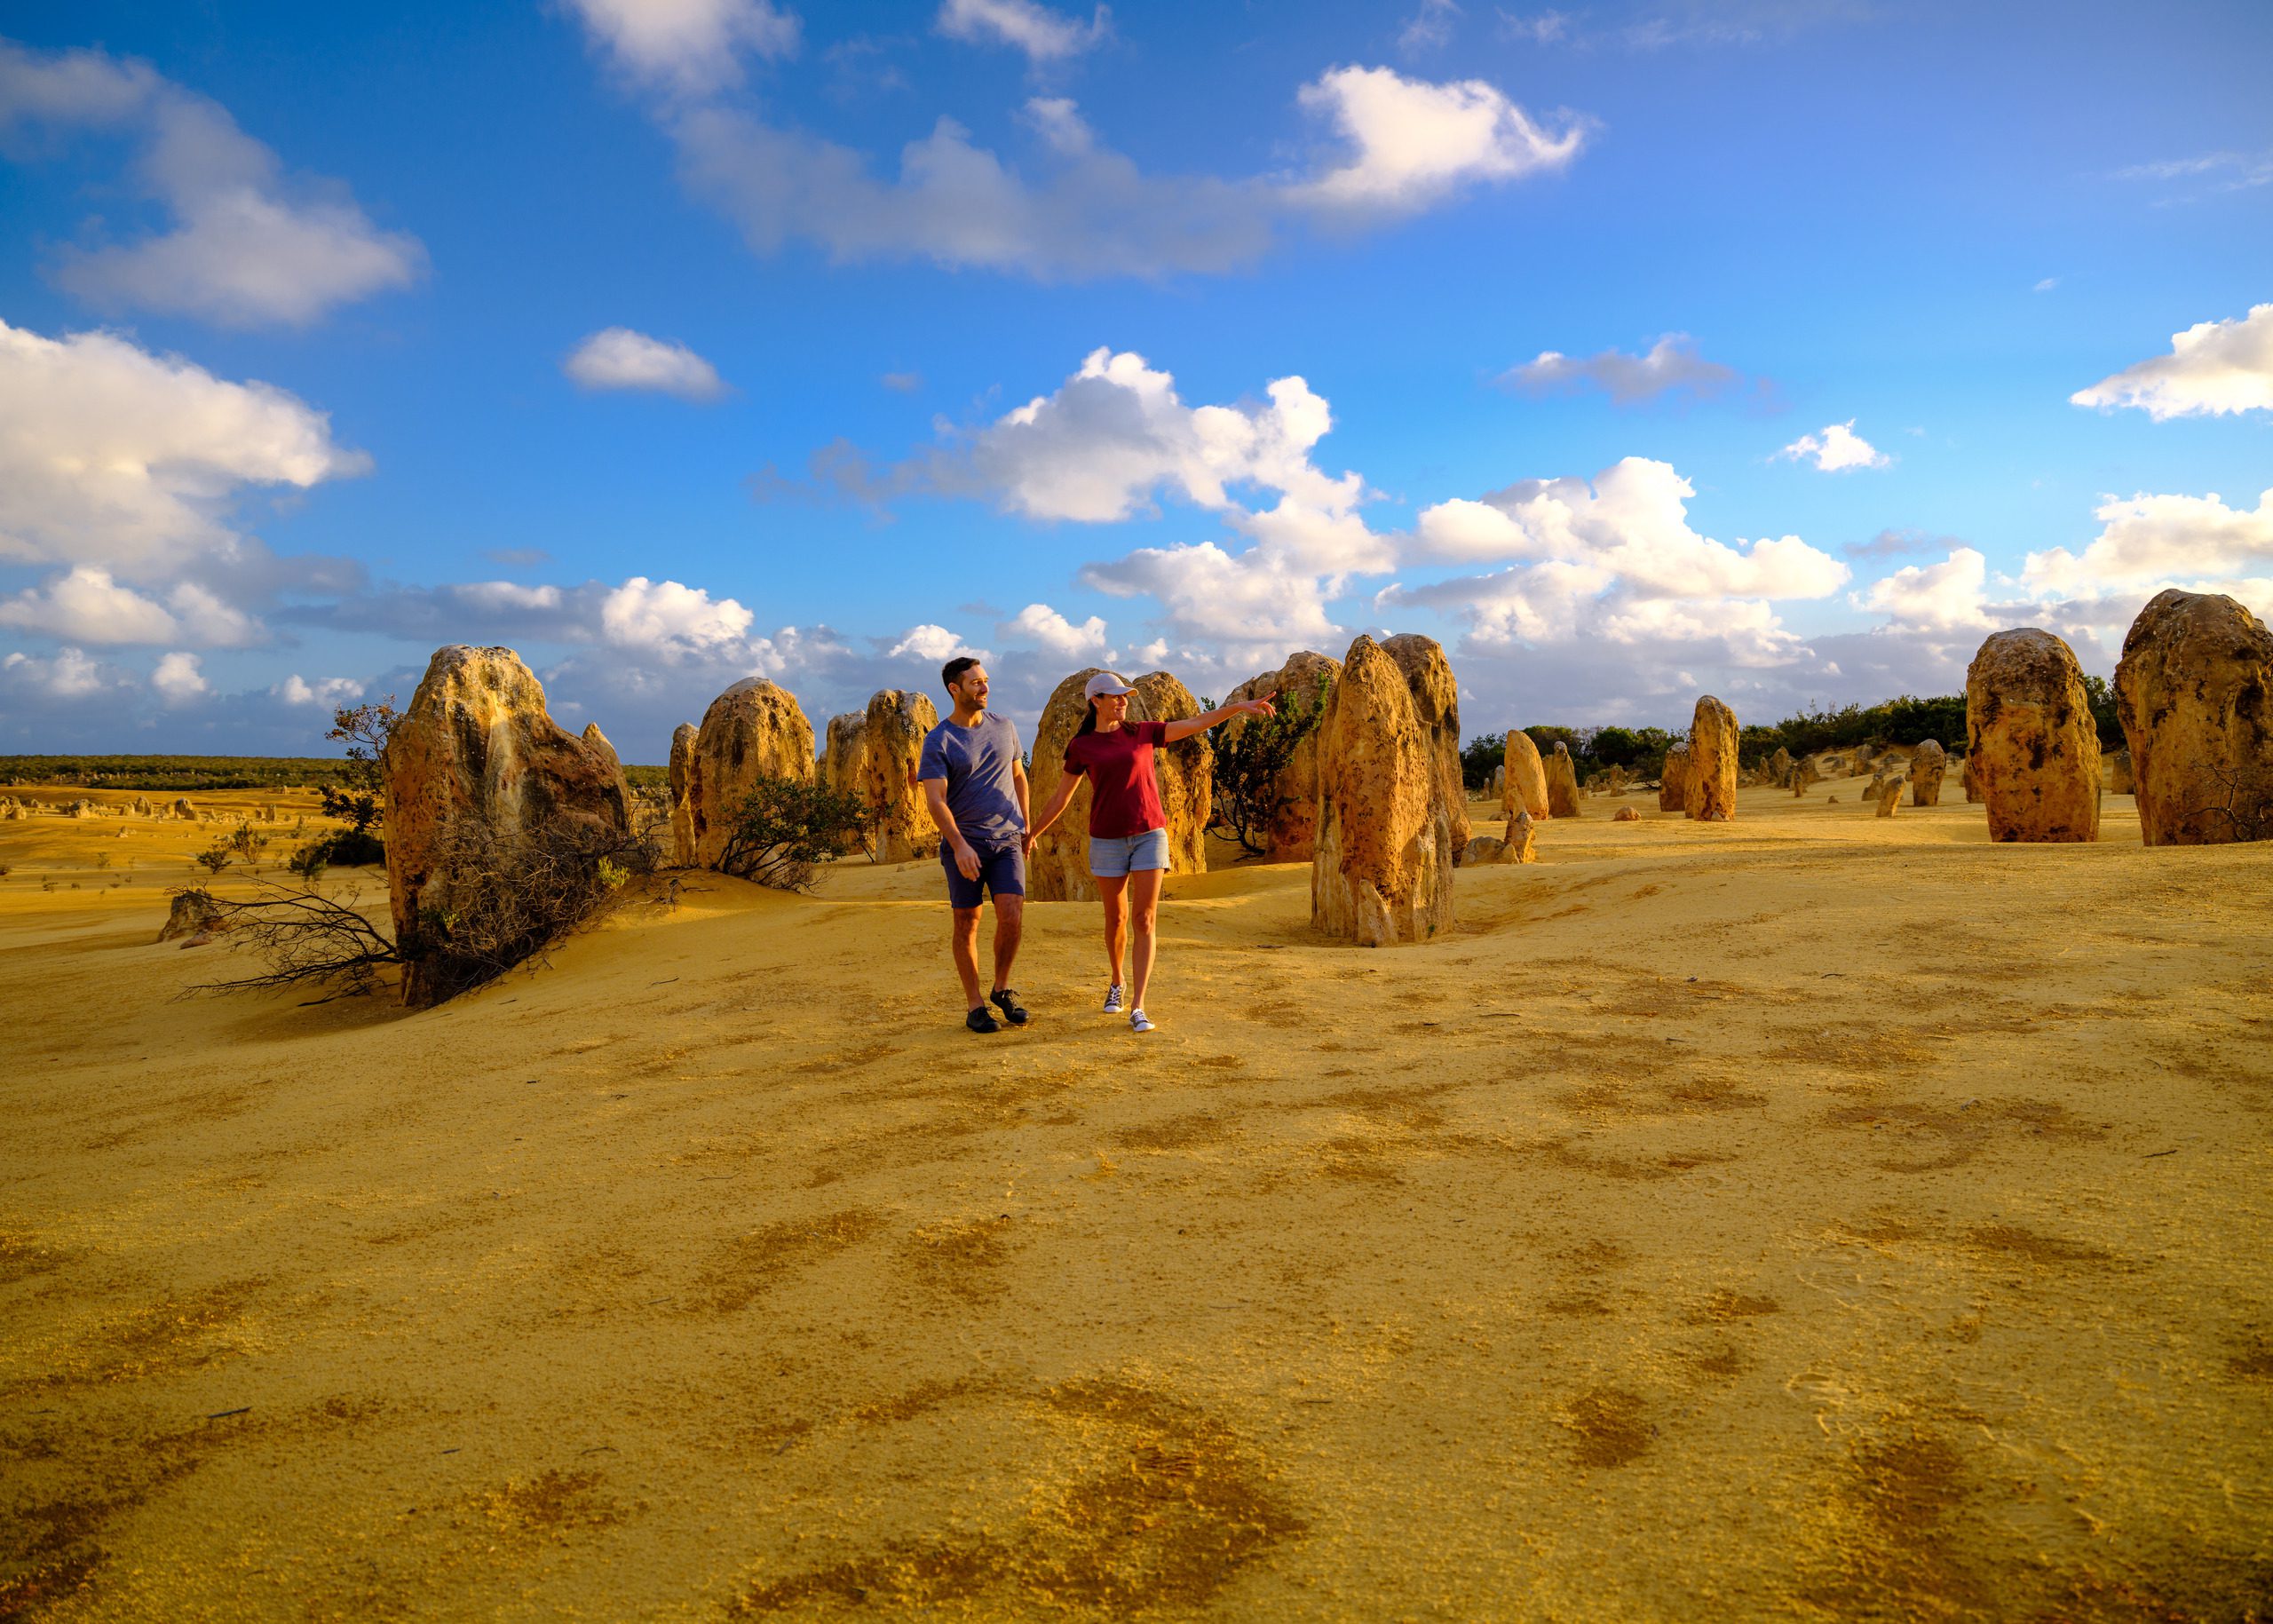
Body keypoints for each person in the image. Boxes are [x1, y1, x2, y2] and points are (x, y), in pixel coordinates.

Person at [1026, 673, 1274, 1034]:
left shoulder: (1142, 732)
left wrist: (1236, 708)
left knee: (1144, 919)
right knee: (1116, 919)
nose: (1123, 701)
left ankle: (1139, 1005)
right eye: (1115, 697)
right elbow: (1061, 798)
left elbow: (1195, 723)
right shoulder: (1082, 747)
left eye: (1125, 696)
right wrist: (1033, 833)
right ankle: (1116, 981)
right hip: (1107, 841)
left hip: (1149, 836)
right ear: (1095, 700)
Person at [916, 657, 1031, 1034]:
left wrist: (1025, 825)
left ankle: (1001, 988)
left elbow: (1018, 776)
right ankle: (975, 1005)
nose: (984, 688)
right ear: (955, 689)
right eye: (976, 683)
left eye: (985, 681)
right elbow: (935, 801)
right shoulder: (938, 740)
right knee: (967, 922)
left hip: (1007, 839)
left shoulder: (1004, 726)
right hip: (964, 844)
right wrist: (960, 845)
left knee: (1011, 916)